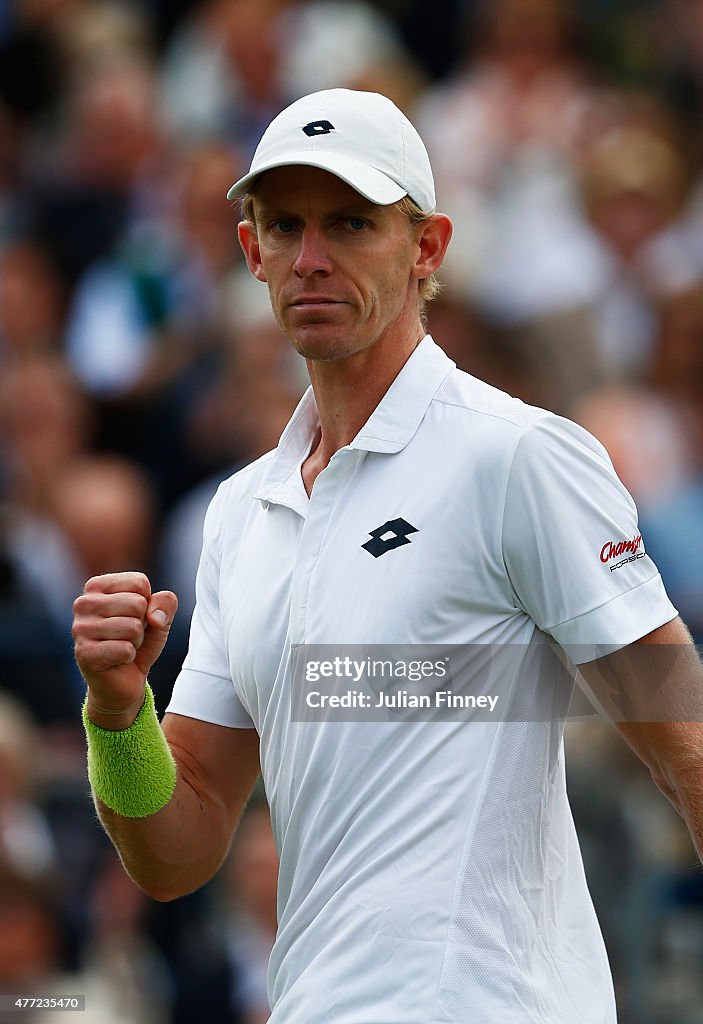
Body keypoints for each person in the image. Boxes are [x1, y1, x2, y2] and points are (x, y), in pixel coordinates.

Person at [72, 89, 703, 1024]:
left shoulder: (516, 455)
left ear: (427, 248)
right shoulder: (241, 511)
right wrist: (119, 717)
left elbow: (680, 734)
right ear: (251, 252)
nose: (312, 257)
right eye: (284, 226)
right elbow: (180, 847)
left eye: (351, 223)